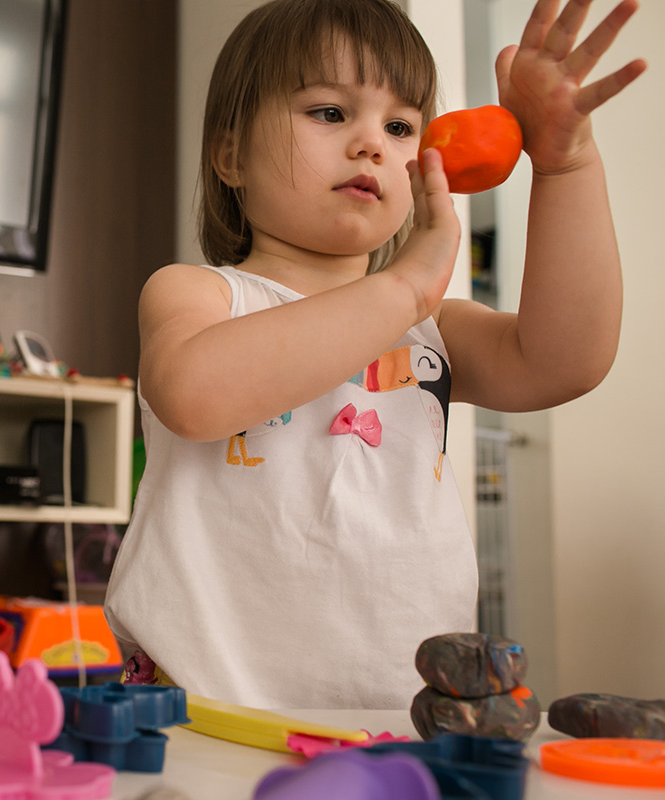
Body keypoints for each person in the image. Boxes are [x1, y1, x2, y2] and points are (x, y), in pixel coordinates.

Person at [103, 0, 646, 710]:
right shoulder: (200, 295)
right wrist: (400, 289)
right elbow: (194, 396)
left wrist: (564, 164)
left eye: (399, 127)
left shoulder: (430, 331)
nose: (372, 144)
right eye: (330, 113)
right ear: (230, 154)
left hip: (396, 712)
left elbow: (565, 359)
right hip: (200, 709)